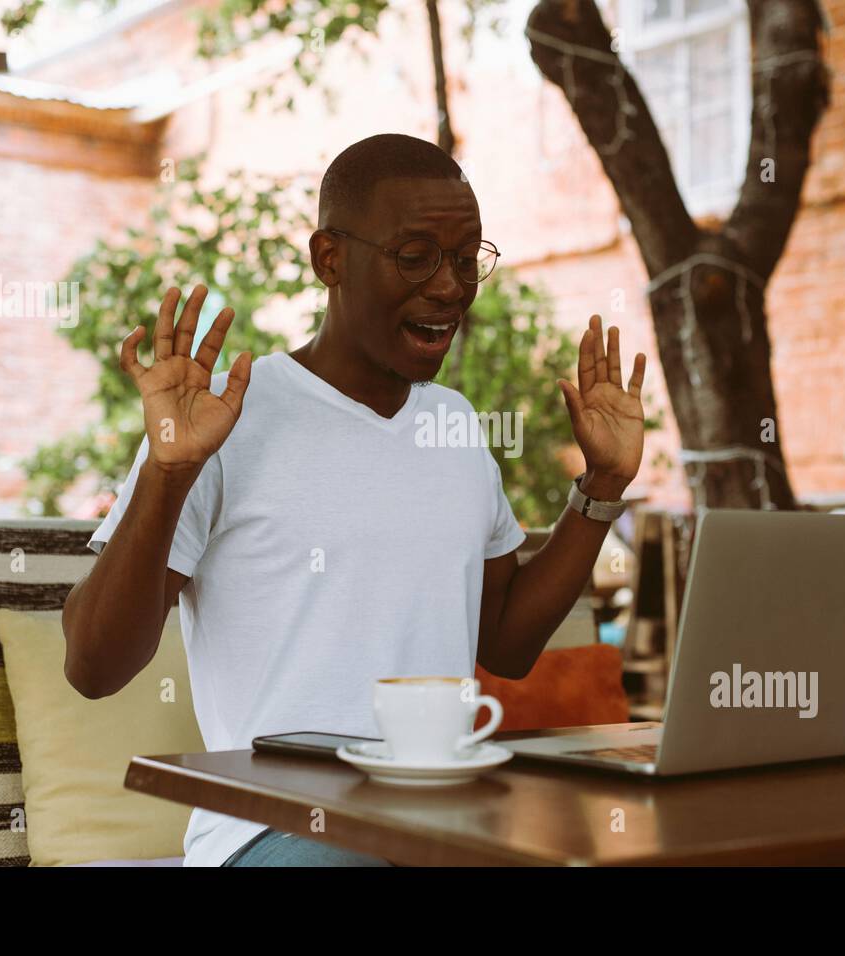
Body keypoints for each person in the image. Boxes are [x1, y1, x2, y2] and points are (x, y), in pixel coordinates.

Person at [61, 133, 647, 866]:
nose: (449, 286)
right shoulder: (225, 417)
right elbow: (93, 666)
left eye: (466, 260)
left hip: (441, 823)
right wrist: (168, 472)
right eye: (416, 256)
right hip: (275, 834)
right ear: (328, 258)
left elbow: (507, 645)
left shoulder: (455, 426)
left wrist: (601, 488)